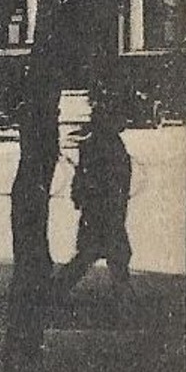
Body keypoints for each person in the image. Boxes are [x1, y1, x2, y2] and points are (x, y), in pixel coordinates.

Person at [53, 87, 134, 310]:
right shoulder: (103, 144)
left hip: (103, 211)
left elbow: (83, 177)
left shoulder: (99, 143)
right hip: (104, 212)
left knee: (93, 256)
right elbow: (96, 178)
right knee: (110, 255)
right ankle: (123, 302)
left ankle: (55, 291)